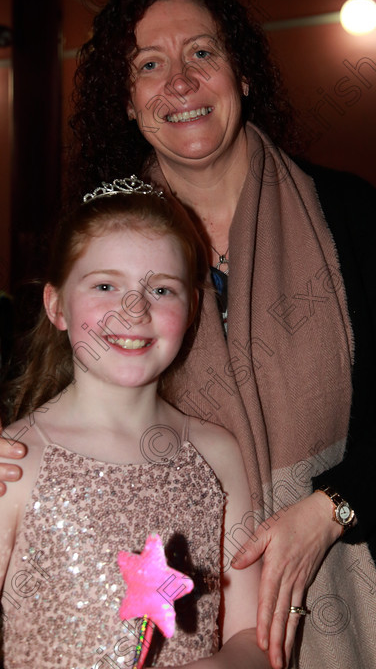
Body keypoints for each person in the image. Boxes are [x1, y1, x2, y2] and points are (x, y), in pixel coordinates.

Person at [0, 0, 376, 669]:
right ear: (126, 101)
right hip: (168, 613)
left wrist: (325, 510)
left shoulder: (348, 215)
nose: (179, 81)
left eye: (202, 54)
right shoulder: (111, 239)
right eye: (150, 65)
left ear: (242, 75)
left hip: (346, 586)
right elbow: (35, 364)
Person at [0, 181, 269, 669]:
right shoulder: (14, 464)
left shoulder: (218, 454)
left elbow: (250, 634)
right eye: (106, 286)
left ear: (190, 308)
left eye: (161, 289)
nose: (134, 308)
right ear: (57, 305)